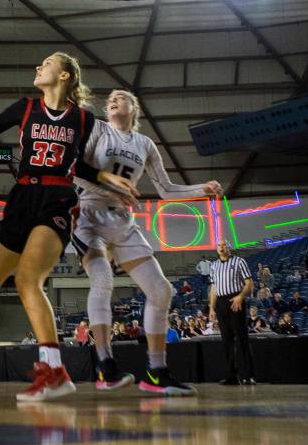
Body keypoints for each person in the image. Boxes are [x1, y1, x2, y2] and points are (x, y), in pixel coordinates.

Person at [0, 54, 137, 401]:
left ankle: (54, 370)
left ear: (65, 75)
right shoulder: (25, 107)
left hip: (57, 199)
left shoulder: (84, 119)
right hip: (22, 197)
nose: (38, 67)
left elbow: (77, 167)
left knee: (28, 279)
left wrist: (106, 176)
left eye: (45, 64)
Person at [72, 89, 220, 397]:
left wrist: (201, 189)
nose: (112, 99)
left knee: (161, 289)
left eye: (121, 96)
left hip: (122, 221)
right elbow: (75, 171)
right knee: (102, 279)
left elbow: (166, 190)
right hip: (88, 213)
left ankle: (156, 372)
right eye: (110, 97)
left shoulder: (145, 144)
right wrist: (111, 187)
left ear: (133, 107)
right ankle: (105, 364)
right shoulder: (98, 129)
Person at [209, 240, 255, 386]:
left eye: (224, 245)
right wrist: (211, 308)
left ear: (229, 247)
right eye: (219, 245)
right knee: (226, 341)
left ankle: (248, 375)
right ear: (216, 249)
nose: (221, 247)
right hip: (221, 303)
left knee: (242, 339)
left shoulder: (239, 261)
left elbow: (249, 284)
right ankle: (231, 376)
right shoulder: (214, 265)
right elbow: (214, 288)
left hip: (236, 300)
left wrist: (241, 297)